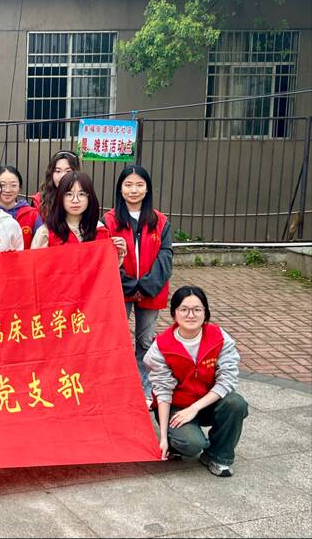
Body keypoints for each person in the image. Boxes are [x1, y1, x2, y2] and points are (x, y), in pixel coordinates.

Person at [144, 286, 248, 477]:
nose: (191, 315)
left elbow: (227, 380)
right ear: (174, 313)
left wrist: (195, 408)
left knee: (236, 403)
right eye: (184, 309)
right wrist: (164, 438)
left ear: (205, 312)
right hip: (176, 407)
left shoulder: (219, 338)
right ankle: (177, 443)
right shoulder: (161, 346)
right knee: (192, 444)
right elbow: (163, 392)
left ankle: (217, 457)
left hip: (207, 402)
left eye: (197, 309)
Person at [104, 165, 173, 402]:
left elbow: (165, 256)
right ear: (120, 189)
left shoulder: (160, 221)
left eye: (139, 185)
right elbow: (106, 256)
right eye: (128, 185)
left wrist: (146, 285)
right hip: (120, 289)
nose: (134, 190)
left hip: (150, 290)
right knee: (116, 339)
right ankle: (117, 389)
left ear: (147, 189)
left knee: (145, 341)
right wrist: (128, 284)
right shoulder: (109, 220)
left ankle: (143, 391)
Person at [31, 171, 126, 263]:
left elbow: (106, 267)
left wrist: (118, 252)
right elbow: (35, 266)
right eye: (69, 194)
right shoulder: (46, 232)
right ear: (60, 197)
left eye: (81, 194)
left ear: (90, 197)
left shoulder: (99, 230)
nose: (75, 200)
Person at [0, 165, 42, 250]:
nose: (7, 190)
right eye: (2, 185)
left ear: (20, 187)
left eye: (13, 185)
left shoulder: (32, 215)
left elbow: (41, 243)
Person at [31, 150, 81, 221]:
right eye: (58, 171)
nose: (62, 176)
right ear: (51, 173)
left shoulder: (84, 199)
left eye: (68, 171)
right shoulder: (39, 200)